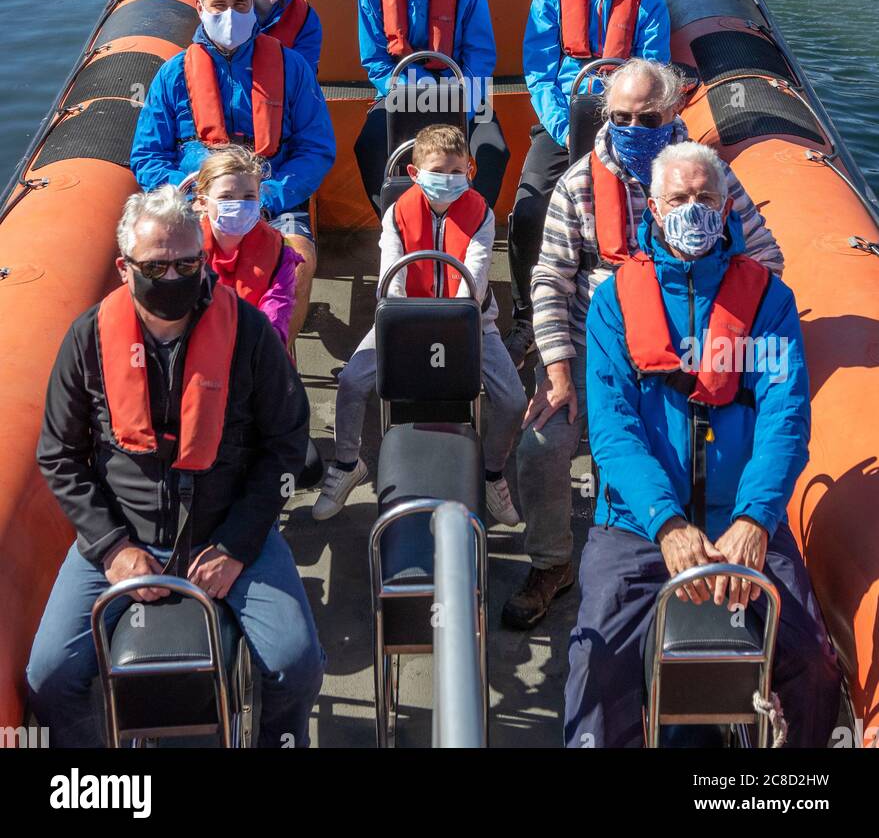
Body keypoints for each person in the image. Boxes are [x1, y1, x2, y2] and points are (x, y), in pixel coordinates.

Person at [563, 142, 840, 748]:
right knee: (596, 666)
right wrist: (667, 524)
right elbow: (612, 432)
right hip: (637, 527)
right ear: (655, 210)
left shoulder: (769, 301)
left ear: (725, 207)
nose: (694, 211)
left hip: (744, 521)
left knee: (813, 663)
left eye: (706, 199)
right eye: (680, 200)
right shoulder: (613, 303)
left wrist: (755, 520)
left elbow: (784, 420)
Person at [27, 187, 324, 749]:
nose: (173, 276)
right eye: (156, 265)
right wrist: (113, 547)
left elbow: (287, 445)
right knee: (50, 676)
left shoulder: (250, 336)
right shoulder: (87, 340)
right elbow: (59, 455)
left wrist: (237, 544)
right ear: (124, 268)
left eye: (187, 263)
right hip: (122, 537)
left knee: (297, 664)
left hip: (231, 533)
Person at [504, 65, 784, 630]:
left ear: (675, 112)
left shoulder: (709, 181)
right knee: (541, 443)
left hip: (692, 348)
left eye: (647, 118)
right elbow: (549, 280)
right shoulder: (579, 184)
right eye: (621, 118)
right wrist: (557, 369)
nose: (633, 128)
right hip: (593, 344)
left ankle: (679, 542)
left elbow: (767, 261)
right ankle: (553, 561)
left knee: (693, 440)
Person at [312, 125, 526, 527]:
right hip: (405, 317)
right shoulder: (397, 213)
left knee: (513, 400)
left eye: (455, 171)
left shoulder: (480, 213)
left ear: (471, 169)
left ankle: (492, 473)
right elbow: (389, 278)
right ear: (414, 174)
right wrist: (404, 320)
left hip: (471, 322)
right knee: (353, 381)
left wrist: (458, 322)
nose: (447, 180)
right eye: (437, 171)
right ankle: (346, 463)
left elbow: (475, 278)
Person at [505, 0, 671, 370]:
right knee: (528, 209)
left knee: (644, 213)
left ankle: (640, 306)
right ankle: (524, 317)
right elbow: (538, 69)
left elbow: (653, 67)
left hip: (626, 124)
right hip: (564, 120)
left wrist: (627, 122)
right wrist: (560, 124)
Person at [130, 0, 335, 345]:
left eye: (240, 5)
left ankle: (277, 362)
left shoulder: (292, 68)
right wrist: (194, 196)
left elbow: (316, 148)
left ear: (252, 4)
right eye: (219, 6)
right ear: (200, 7)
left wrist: (270, 197)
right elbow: (147, 157)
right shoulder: (172, 75)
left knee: (301, 261)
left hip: (272, 202)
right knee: (173, 264)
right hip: (196, 205)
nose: (231, 15)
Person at [354, 0, 509, 212]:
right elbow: (375, 60)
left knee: (493, 149)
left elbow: (480, 52)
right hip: (402, 91)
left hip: (463, 89)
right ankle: (395, 223)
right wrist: (416, 92)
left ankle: (472, 222)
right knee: (368, 145)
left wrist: (459, 103)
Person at [194, 145, 302, 348]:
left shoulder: (279, 249)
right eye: (226, 197)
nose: (239, 205)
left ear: (259, 199)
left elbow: (277, 308)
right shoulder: (185, 248)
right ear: (202, 201)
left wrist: (253, 351)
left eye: (248, 197)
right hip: (201, 348)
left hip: (257, 350)